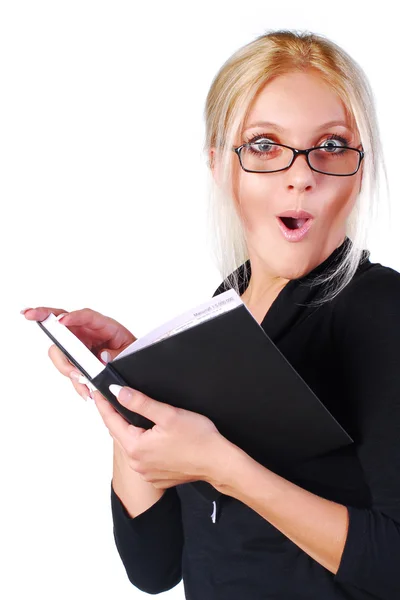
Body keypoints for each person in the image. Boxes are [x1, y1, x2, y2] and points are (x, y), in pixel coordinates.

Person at [21, 29, 400, 600]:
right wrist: (130, 390)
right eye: (266, 145)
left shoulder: (381, 312)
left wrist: (228, 469)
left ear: (361, 165)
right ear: (220, 163)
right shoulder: (227, 305)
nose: (302, 174)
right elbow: (154, 566)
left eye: (331, 145)